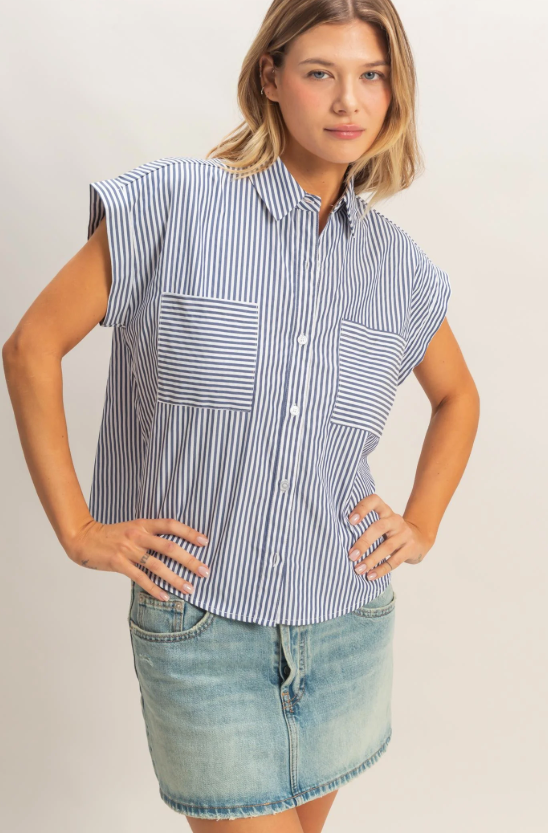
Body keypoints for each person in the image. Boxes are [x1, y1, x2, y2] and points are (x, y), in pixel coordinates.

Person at [2, 1, 480, 831]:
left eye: (371, 76)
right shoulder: (172, 204)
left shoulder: (399, 268)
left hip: (344, 622)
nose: (349, 101)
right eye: (321, 73)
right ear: (271, 78)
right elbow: (30, 346)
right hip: (201, 625)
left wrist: (422, 521)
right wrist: (78, 528)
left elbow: (459, 396)